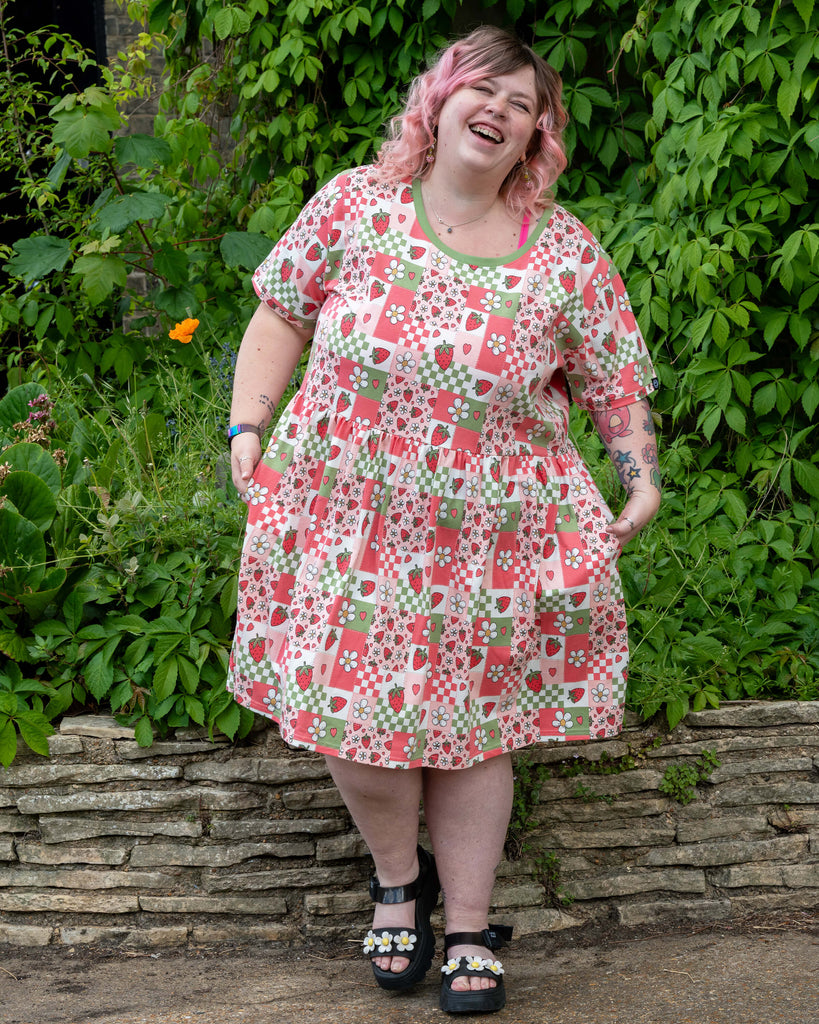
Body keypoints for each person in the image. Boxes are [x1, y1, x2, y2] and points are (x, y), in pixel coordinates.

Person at [226, 26, 662, 1015]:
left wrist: (638, 476)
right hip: (348, 524)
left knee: (473, 732)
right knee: (351, 720)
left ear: (537, 135)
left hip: (491, 537)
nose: (498, 109)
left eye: (521, 102)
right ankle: (398, 881)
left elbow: (613, 379)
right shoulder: (354, 203)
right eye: (483, 89)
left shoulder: (565, 253)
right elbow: (281, 313)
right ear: (440, 99)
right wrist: (248, 423)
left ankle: (467, 925)